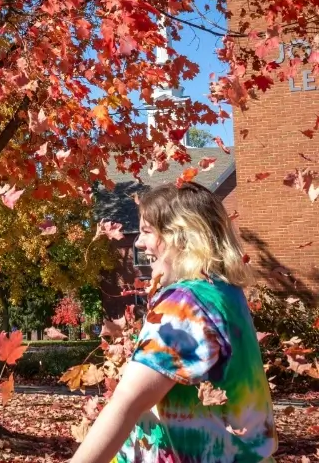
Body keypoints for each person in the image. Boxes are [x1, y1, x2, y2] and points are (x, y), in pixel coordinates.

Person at [72, 182, 276, 463]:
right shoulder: (223, 292)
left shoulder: (185, 304)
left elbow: (129, 401)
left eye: (146, 231)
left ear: (180, 235)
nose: (139, 243)